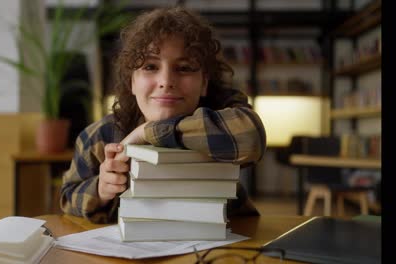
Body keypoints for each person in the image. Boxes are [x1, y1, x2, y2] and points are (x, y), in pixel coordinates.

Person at [60, 6, 267, 224]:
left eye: (184, 68)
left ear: (204, 82)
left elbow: (251, 138)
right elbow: (67, 196)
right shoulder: (99, 136)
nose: (166, 81)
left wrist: (146, 132)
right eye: (150, 66)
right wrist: (101, 189)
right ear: (132, 81)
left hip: (226, 242)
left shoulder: (222, 113)